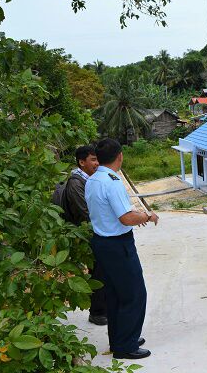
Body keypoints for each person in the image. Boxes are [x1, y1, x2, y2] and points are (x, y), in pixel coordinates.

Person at [85, 138, 159, 360]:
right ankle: (125, 346)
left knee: (115, 295)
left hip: (102, 242)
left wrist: (135, 215)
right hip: (118, 245)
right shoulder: (112, 181)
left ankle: (120, 338)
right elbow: (126, 218)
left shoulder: (93, 179)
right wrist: (147, 215)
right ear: (120, 156)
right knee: (134, 294)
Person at [61, 145, 108, 326]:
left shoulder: (87, 180)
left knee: (102, 270)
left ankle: (103, 308)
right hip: (88, 235)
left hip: (94, 232)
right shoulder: (76, 183)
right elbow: (85, 213)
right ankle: (97, 312)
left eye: (97, 160)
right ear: (81, 162)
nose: (97, 164)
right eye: (93, 160)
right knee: (97, 272)